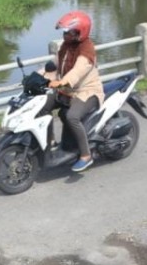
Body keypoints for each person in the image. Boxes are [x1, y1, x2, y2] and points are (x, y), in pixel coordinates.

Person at [43, 10, 103, 172]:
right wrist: (37, 76)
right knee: (43, 106)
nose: (66, 35)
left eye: (69, 32)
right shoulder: (66, 46)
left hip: (86, 91)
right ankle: (50, 141)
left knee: (72, 116)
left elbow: (78, 71)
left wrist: (61, 82)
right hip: (67, 90)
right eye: (65, 32)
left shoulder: (87, 48)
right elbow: (55, 64)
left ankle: (86, 155)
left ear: (80, 32)